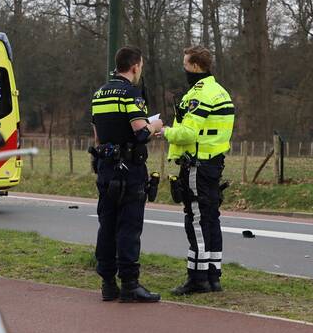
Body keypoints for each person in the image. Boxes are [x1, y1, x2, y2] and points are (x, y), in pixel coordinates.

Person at [90, 47, 164, 303]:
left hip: (106, 169)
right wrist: (156, 125)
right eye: (140, 66)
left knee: (106, 225)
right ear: (134, 67)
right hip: (129, 170)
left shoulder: (99, 94)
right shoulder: (131, 94)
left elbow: (97, 137)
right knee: (129, 227)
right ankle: (130, 286)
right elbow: (140, 133)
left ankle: (108, 284)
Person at [159, 46, 235, 295]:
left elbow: (188, 133)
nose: (183, 69)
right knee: (211, 218)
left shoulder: (199, 94)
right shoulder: (220, 91)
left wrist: (164, 131)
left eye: (185, 64)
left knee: (197, 221)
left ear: (194, 66)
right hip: (213, 162)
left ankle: (198, 277)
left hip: (197, 164)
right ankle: (213, 276)